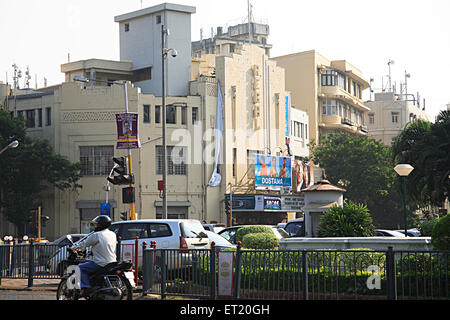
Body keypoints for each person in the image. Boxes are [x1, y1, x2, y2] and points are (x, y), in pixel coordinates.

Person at [71, 215, 117, 296]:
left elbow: (84, 243)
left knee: (80, 268)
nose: (96, 226)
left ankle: (86, 288)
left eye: (97, 224)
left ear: (101, 225)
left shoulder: (96, 235)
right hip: (112, 261)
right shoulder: (112, 234)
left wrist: (73, 248)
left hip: (100, 263)